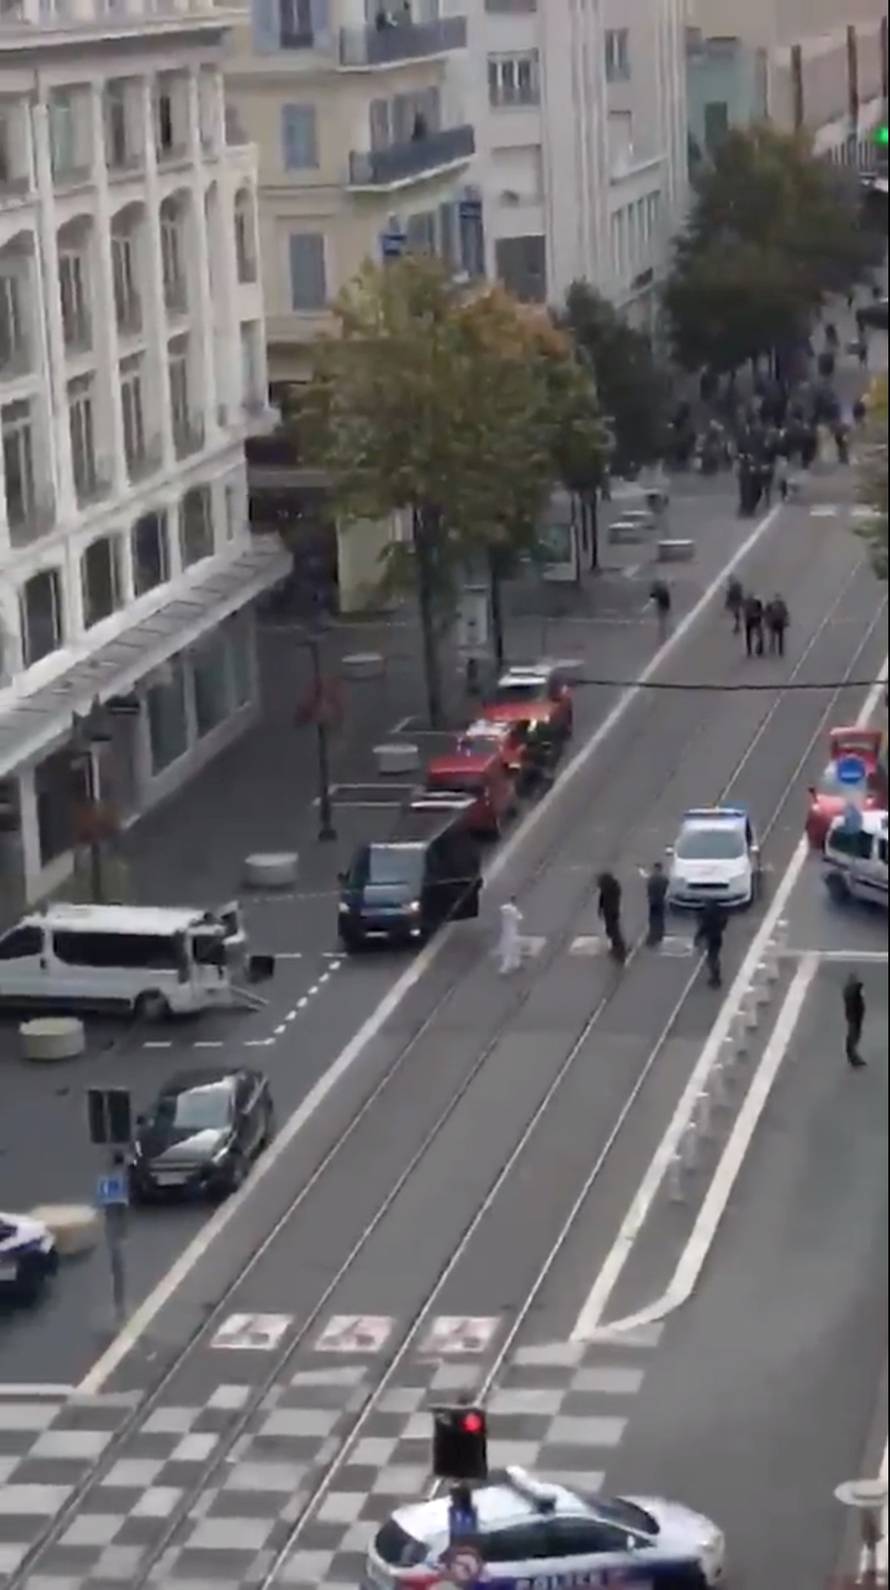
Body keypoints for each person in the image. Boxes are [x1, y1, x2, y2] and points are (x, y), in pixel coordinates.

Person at [696, 901, 727, 988]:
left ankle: (715, 978)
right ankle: (716, 977)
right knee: (714, 956)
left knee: (711, 958)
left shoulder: (705, 914)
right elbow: (724, 920)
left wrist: (698, 937)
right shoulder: (719, 912)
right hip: (718, 936)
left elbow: (703, 927)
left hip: (710, 937)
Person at [597, 871, 626, 961]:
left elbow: (603, 899)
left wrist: (601, 909)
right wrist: (600, 908)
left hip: (611, 911)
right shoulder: (613, 887)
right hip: (612, 911)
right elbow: (602, 899)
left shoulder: (610, 889)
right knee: (612, 929)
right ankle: (616, 946)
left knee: (613, 930)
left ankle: (619, 948)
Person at [843, 972, 866, 1068]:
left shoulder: (846, 990)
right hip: (855, 1015)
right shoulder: (858, 988)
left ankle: (852, 1055)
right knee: (855, 1035)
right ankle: (853, 1057)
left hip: (850, 1015)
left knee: (852, 1035)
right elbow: (860, 1001)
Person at [644, 861, 669, 947]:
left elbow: (649, 889)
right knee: (660, 919)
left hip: (653, 901)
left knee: (653, 919)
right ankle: (659, 935)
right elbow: (666, 889)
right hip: (661, 900)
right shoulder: (664, 879)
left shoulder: (652, 878)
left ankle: (652, 936)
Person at [497, 897, 523, 975]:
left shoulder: (505, 908)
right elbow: (519, 918)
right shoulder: (514, 910)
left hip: (506, 933)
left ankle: (517, 964)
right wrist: (517, 912)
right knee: (510, 952)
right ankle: (503, 970)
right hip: (512, 934)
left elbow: (501, 909)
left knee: (515, 949)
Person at [743, 593, 765, 657]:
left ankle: (749, 650)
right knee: (759, 636)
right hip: (756, 620)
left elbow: (744, 612)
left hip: (749, 621)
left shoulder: (746, 603)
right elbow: (761, 611)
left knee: (748, 636)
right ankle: (759, 650)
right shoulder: (758, 602)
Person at [650, 579, 671, 644]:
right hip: (664, 604)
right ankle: (666, 633)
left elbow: (652, 598)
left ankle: (664, 634)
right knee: (664, 619)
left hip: (662, 605)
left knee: (662, 620)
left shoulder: (657, 590)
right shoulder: (663, 589)